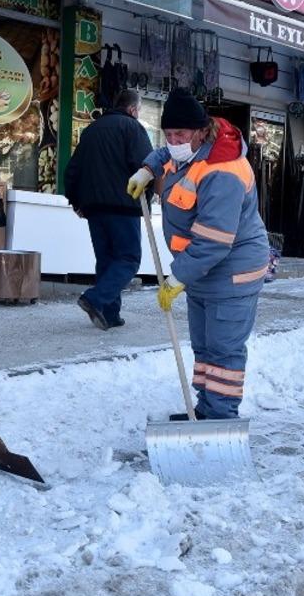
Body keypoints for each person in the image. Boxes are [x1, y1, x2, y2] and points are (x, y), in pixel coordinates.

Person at [125, 88, 269, 420]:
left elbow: (214, 241)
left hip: (232, 272)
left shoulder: (224, 171)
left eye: (181, 134)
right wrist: (148, 169)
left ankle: (221, 419)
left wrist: (177, 278)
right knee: (204, 346)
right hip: (201, 271)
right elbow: (167, 154)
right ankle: (205, 411)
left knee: (223, 351)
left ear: (202, 132)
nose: (174, 141)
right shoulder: (188, 151)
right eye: (168, 134)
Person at [64, 89, 153, 330]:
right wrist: (148, 200)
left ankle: (110, 314)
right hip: (123, 206)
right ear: (133, 109)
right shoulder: (133, 128)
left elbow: (72, 170)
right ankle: (94, 299)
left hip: (94, 208)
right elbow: (146, 167)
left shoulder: (91, 130)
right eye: (139, 110)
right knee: (128, 259)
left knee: (107, 261)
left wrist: (76, 201)